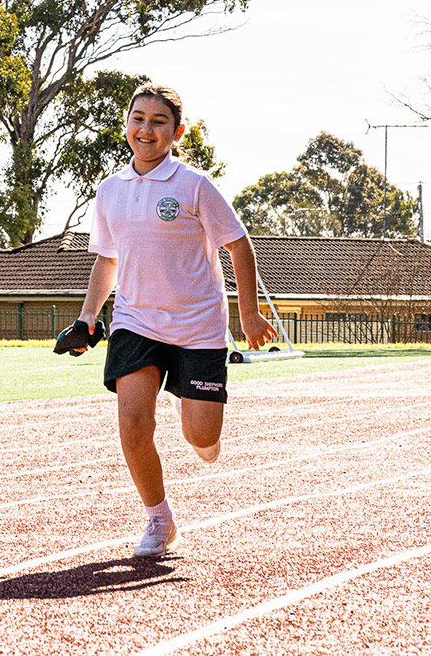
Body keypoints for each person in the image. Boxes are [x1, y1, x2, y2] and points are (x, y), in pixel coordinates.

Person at [57, 83, 275, 558]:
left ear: (177, 132)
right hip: (135, 321)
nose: (146, 129)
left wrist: (250, 313)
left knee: (203, 438)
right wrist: (88, 317)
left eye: (158, 122)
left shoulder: (194, 185)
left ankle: (187, 402)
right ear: (126, 124)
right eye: (138, 119)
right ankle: (159, 519)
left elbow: (239, 244)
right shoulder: (110, 190)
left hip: (198, 326)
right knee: (133, 424)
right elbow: (107, 259)